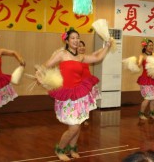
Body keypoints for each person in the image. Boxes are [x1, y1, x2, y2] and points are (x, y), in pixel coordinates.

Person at [40, 29, 111, 161]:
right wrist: (42, 77)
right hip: (66, 95)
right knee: (73, 127)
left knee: (77, 124)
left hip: (79, 94)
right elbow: (45, 65)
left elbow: (97, 57)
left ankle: (72, 148)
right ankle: (60, 149)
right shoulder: (62, 54)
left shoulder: (80, 56)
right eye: (73, 38)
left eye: (77, 38)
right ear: (66, 40)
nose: (76, 40)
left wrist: (107, 46)